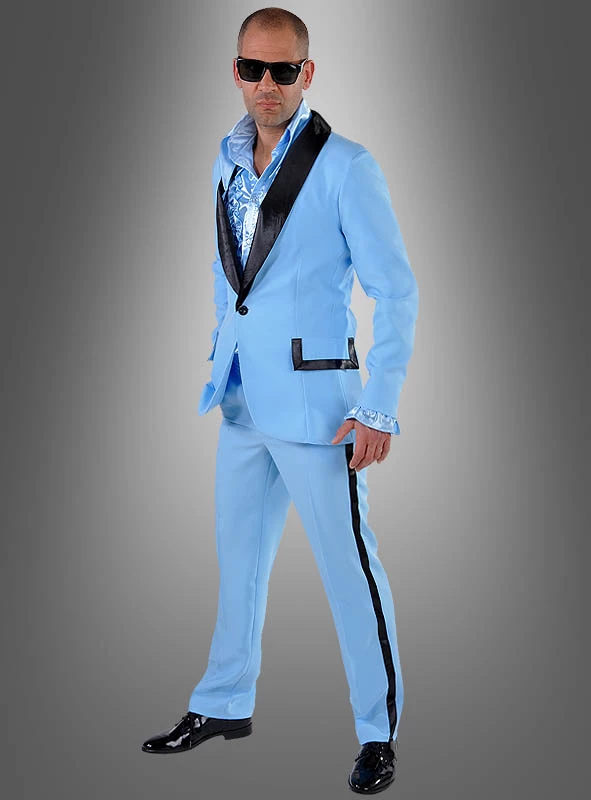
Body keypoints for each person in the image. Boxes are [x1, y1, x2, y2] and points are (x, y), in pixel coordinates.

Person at [141, 6, 419, 794]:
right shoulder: (225, 158)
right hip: (239, 402)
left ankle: (377, 733)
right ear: (235, 71)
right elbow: (233, 275)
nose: (266, 84)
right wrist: (220, 356)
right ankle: (222, 702)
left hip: (320, 411)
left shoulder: (346, 166)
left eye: (283, 70)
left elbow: (396, 292)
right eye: (252, 68)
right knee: (238, 566)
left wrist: (377, 405)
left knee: (349, 572)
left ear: (307, 73)